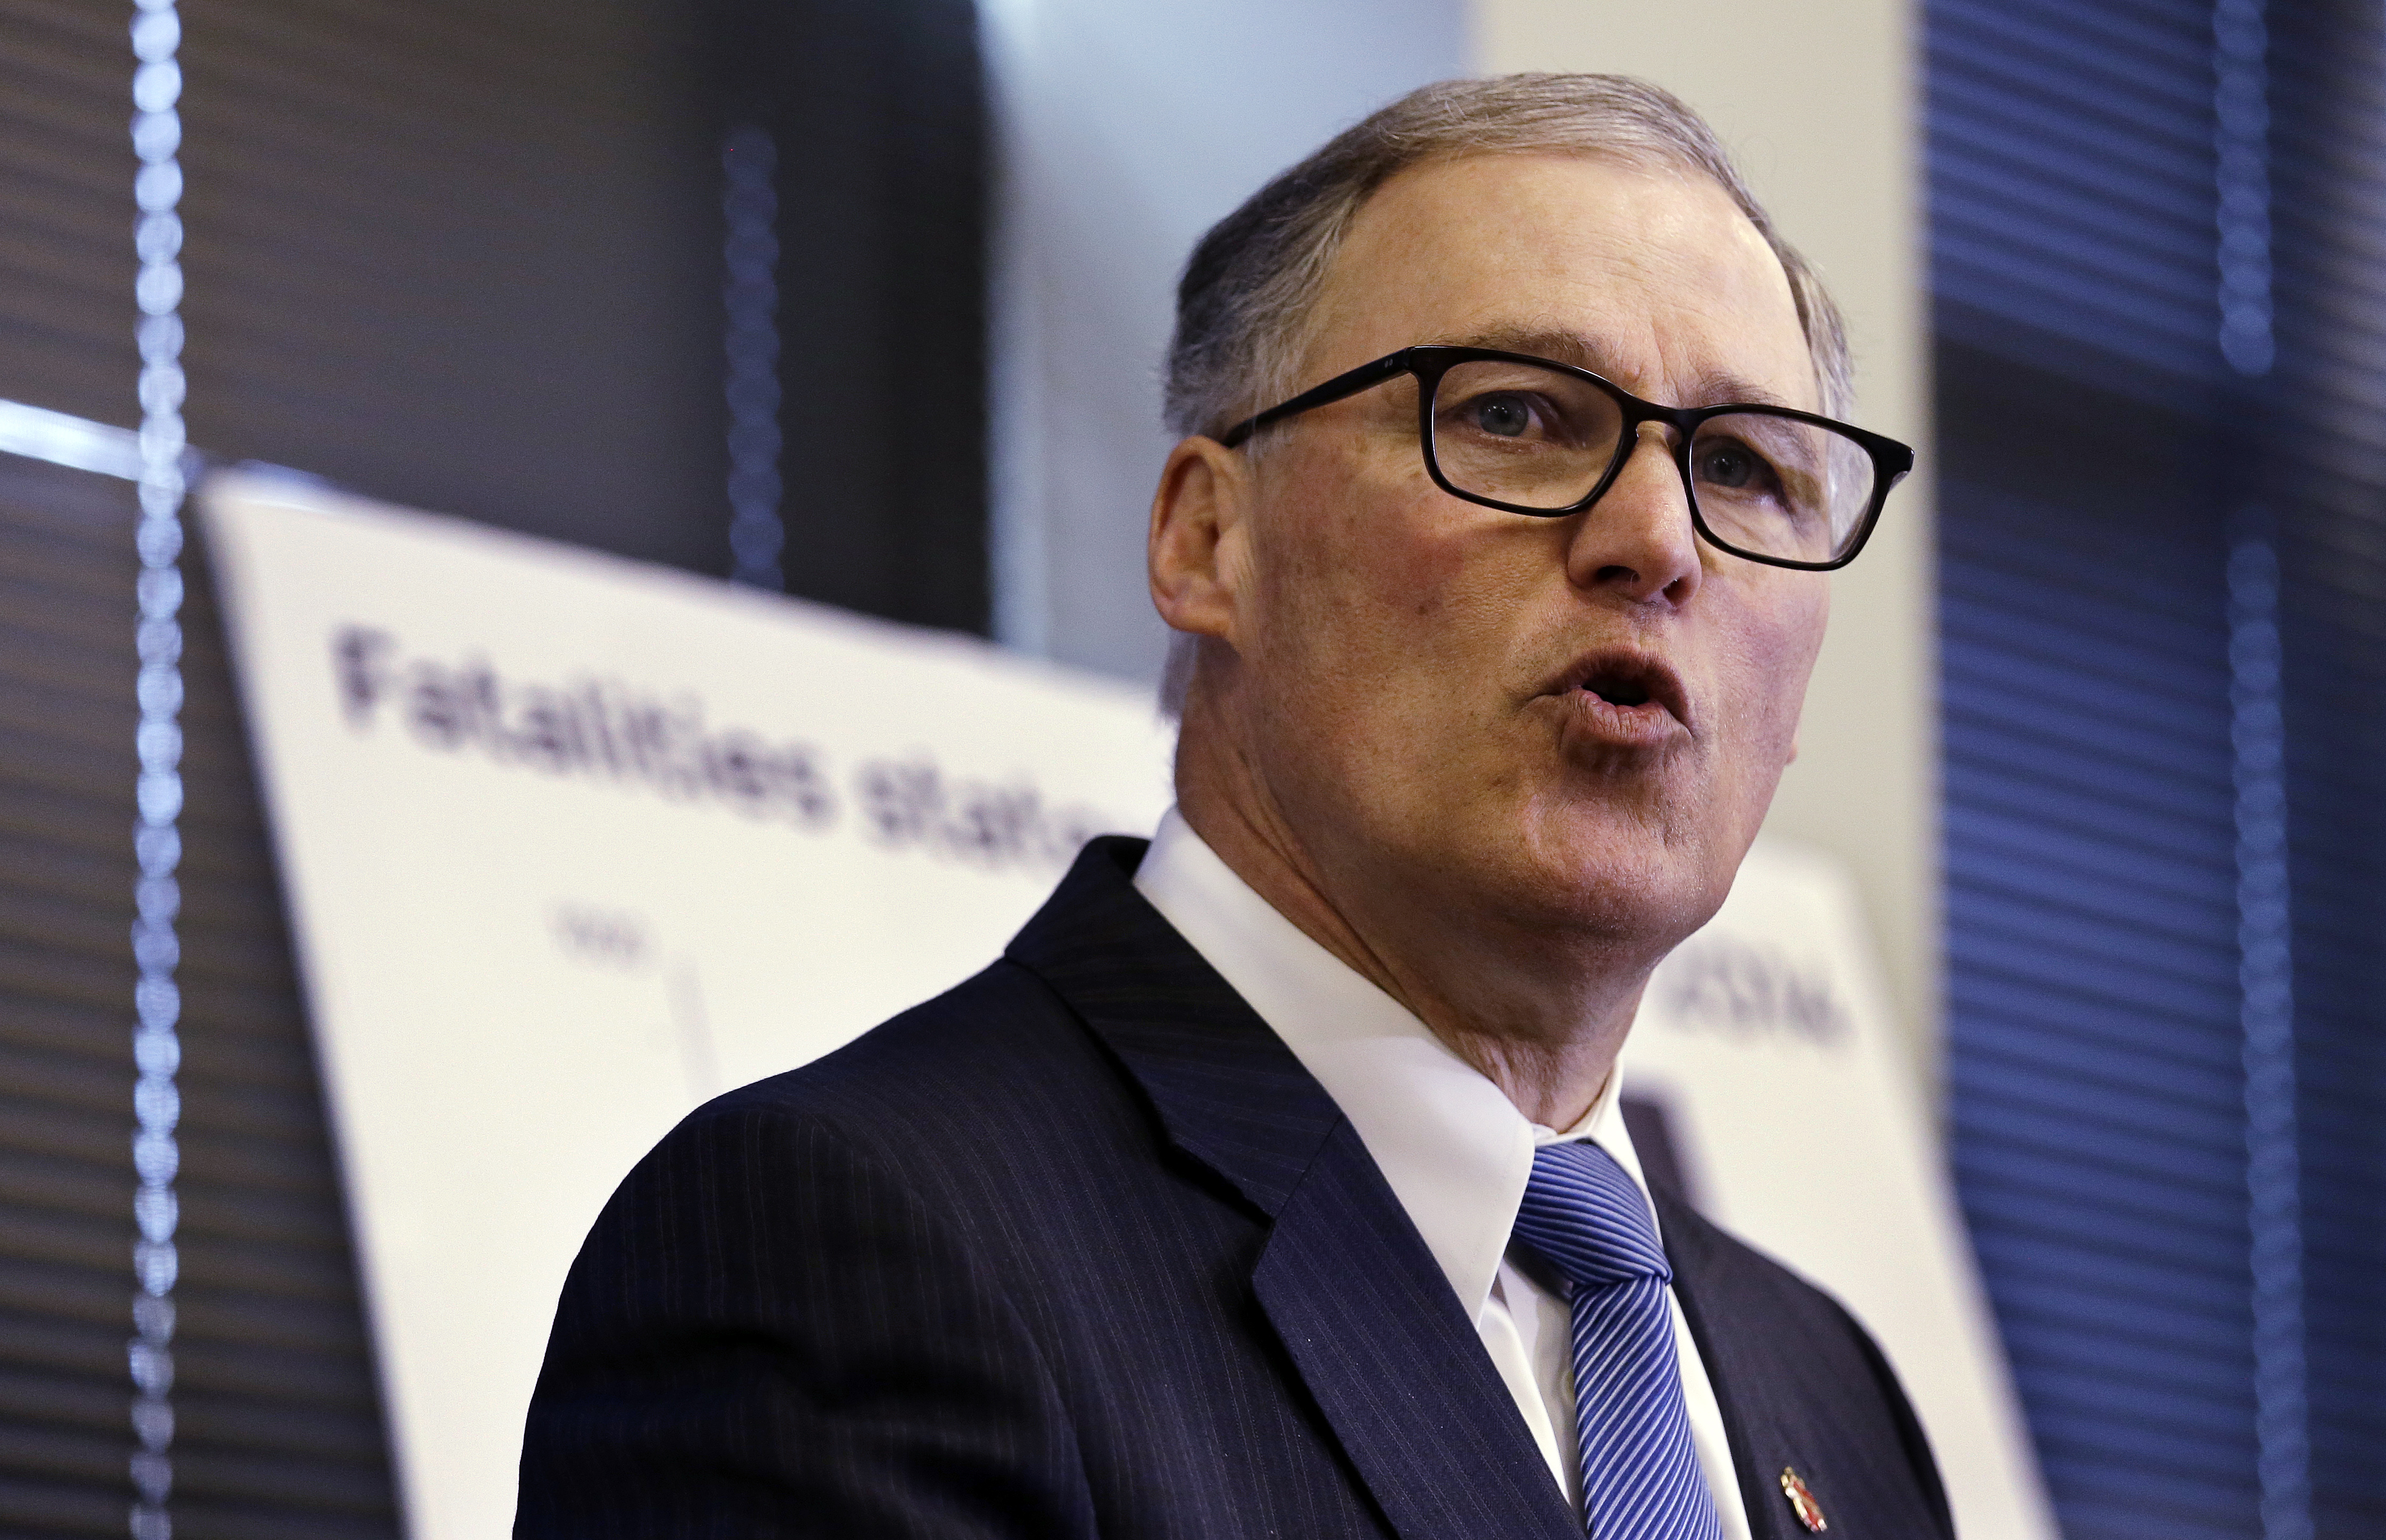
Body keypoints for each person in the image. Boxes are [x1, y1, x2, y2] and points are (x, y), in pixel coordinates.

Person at [516, 73, 1945, 1539]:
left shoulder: (1826, 1386)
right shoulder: (843, 1251)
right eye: (1516, 414)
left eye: (1745, 467)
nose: (1655, 538)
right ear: (1210, 536)